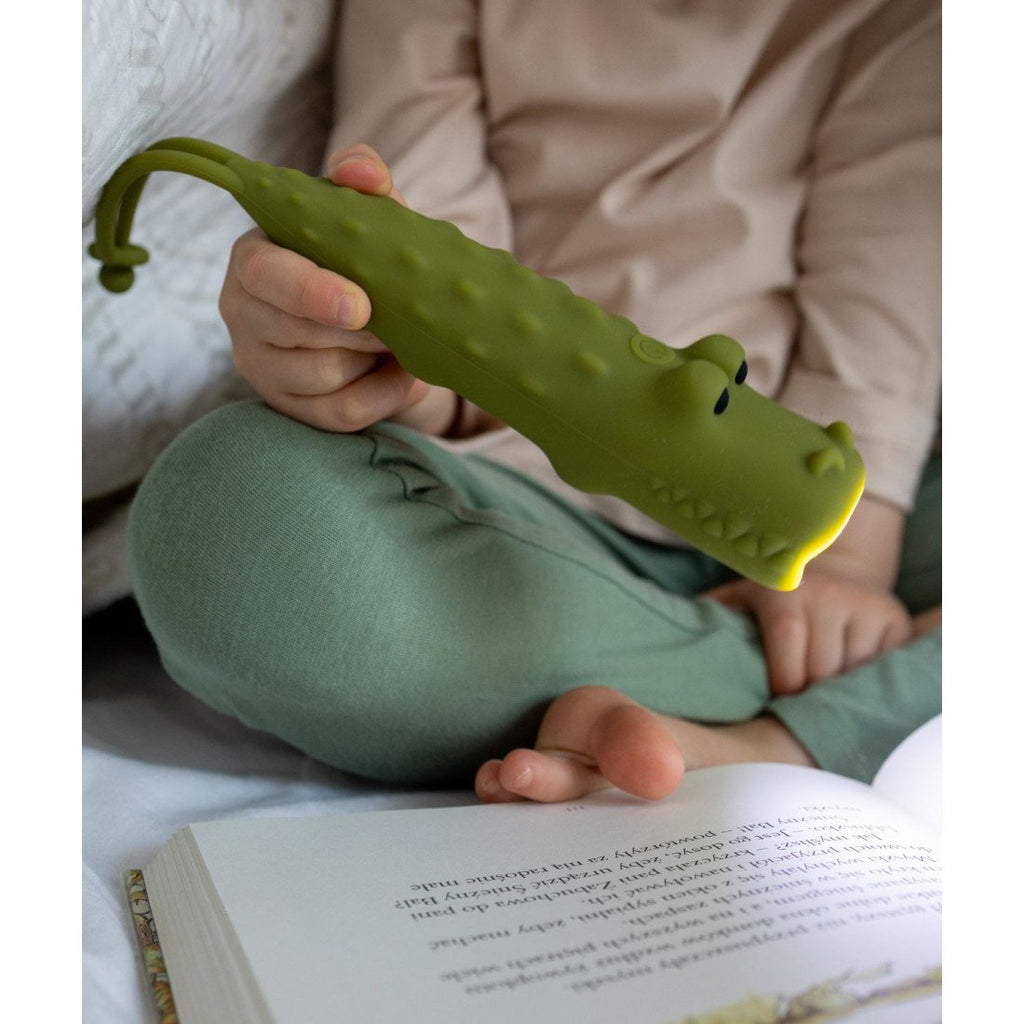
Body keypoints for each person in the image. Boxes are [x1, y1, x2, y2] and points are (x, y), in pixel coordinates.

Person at [127, 0, 941, 804]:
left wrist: (846, 565)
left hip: (871, 501)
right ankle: (864, 698)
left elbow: (880, 311)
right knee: (221, 518)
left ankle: (764, 745)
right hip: (532, 515)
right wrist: (364, 353)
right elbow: (449, 325)